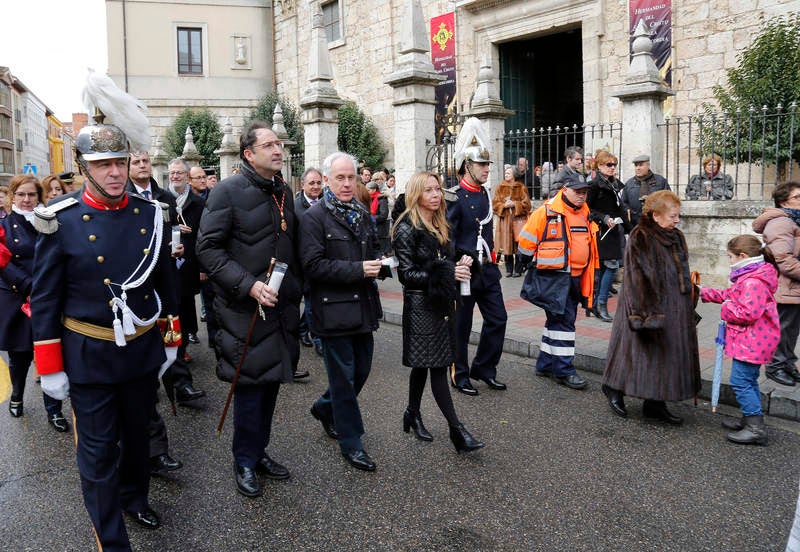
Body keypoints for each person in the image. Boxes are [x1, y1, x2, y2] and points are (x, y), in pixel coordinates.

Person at [31, 76, 182, 549]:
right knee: (97, 455)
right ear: (83, 167)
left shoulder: (149, 213)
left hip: (138, 351)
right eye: (104, 164)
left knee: (138, 440)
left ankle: (135, 497)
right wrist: (50, 368)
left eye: (120, 162)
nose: (115, 172)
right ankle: (112, 542)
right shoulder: (60, 218)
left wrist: (171, 338)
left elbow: (163, 284)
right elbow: (46, 299)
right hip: (88, 353)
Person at [197, 121, 302, 497]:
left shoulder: (283, 191)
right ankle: (243, 460)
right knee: (251, 390)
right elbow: (207, 249)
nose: (278, 150)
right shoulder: (226, 191)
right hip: (243, 308)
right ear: (248, 153)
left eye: (280, 144)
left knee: (271, 385)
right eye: (269, 144)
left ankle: (258, 453)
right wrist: (249, 284)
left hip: (280, 308)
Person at [301, 151, 384, 472]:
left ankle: (324, 408)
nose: (348, 183)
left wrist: (380, 265)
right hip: (332, 311)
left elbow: (372, 250)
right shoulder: (314, 218)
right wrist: (358, 269)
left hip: (363, 307)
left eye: (352, 177)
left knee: (361, 372)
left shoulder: (362, 212)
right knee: (344, 379)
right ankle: (352, 443)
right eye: (340, 178)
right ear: (326, 181)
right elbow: (313, 266)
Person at [392, 171, 484, 452]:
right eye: (429, 190)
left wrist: (464, 259)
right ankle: (457, 430)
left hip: (443, 303)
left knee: (424, 363)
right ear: (416, 194)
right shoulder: (406, 227)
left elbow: (445, 258)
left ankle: (412, 413)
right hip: (421, 305)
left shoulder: (440, 222)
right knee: (438, 367)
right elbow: (406, 274)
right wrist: (447, 271)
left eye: (438, 189)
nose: (436, 195)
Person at [600, 190, 701, 424]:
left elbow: (680, 273)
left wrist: (688, 299)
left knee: (663, 355)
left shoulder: (675, 235)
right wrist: (647, 315)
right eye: (673, 215)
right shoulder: (641, 236)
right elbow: (638, 279)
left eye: (678, 215)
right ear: (656, 215)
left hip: (673, 306)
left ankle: (655, 403)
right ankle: (614, 387)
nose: (677, 220)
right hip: (644, 305)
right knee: (635, 352)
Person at [518, 172, 598, 391]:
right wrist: (524, 264)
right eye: (578, 192)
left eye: (585, 192)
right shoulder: (546, 212)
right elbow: (525, 244)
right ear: (565, 190)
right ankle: (564, 371)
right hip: (555, 279)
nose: (582, 196)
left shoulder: (584, 211)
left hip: (577, 277)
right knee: (564, 322)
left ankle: (545, 364)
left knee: (556, 321)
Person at [446, 117, 508, 395]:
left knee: (498, 319)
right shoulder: (454, 197)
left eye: (487, 165)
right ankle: (459, 373)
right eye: (482, 165)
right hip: (465, 270)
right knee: (462, 324)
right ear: (467, 166)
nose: (487, 169)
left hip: (487, 269)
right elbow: (447, 237)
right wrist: (460, 257)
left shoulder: (484, 193)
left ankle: (484, 368)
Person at [1, 174, 68, 431]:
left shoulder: (49, 221)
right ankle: (17, 393)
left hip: (48, 295)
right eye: (21, 195)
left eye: (31, 195)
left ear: (38, 197)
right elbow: (3, 261)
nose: (27, 200)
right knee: (20, 356)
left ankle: (54, 410)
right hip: (17, 294)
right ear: (13, 197)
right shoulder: (4, 225)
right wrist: (30, 286)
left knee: (50, 351)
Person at [700, 235, 779, 445]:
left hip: (752, 341)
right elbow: (731, 294)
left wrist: (726, 307)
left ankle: (756, 428)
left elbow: (747, 313)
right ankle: (749, 418)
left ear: (742, 256)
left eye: (730, 257)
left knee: (740, 381)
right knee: (748, 380)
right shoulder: (751, 276)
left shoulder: (753, 281)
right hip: (753, 340)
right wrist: (704, 293)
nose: (730, 261)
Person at [752, 181, 800, 387]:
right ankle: (774, 366)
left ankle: (788, 363)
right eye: (797, 197)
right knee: (782, 329)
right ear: (783, 201)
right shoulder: (781, 222)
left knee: (791, 330)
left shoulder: (793, 221)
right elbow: (784, 261)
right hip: (784, 286)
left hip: (793, 287)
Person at [586, 150, 631, 322]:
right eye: (608, 165)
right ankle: (600, 304)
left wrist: (630, 229)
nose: (612, 168)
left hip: (615, 231)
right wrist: (604, 218)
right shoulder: (594, 185)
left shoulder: (616, 184)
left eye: (614, 164)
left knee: (606, 268)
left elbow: (621, 208)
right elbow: (587, 209)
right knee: (610, 266)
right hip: (600, 231)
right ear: (599, 166)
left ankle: (594, 303)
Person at [294, 167, 325, 364]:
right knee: (312, 301)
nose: (315, 186)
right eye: (311, 183)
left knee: (316, 301)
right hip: (302, 265)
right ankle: (314, 335)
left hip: (323, 262)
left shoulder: (327, 204)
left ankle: (308, 332)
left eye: (318, 183)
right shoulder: (294, 207)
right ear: (302, 184)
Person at [492, 165, 531, 277]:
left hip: (517, 221)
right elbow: (495, 204)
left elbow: (527, 205)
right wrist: (503, 205)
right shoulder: (500, 187)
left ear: (514, 174)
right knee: (506, 245)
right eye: (505, 172)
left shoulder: (521, 187)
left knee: (518, 245)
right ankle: (509, 270)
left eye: (509, 172)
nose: (506, 174)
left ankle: (518, 270)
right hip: (504, 221)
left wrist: (515, 204)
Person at [621, 154, 670, 226]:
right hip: (635, 224)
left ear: (648, 166)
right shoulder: (629, 184)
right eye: (636, 165)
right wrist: (631, 214)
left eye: (641, 165)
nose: (638, 168)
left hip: (656, 223)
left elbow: (668, 199)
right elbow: (623, 203)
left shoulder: (660, 181)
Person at [367, 176, 390, 255]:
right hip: (372, 229)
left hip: (380, 231)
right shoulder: (369, 199)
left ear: (374, 190)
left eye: (368, 190)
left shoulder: (382, 199)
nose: (366, 192)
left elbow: (383, 215)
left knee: (382, 254)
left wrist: (370, 218)